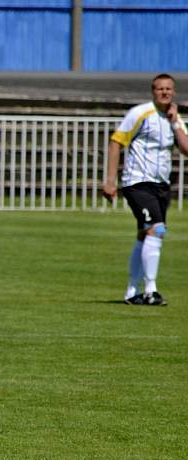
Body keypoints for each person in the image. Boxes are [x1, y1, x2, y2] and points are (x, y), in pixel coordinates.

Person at [102, 73, 188, 306]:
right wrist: (110, 180)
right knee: (156, 231)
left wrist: (175, 122)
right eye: (160, 89)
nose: (165, 93)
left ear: (174, 92)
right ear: (153, 91)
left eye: (168, 89)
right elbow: (116, 142)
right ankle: (151, 289)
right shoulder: (140, 113)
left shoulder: (174, 117)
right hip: (137, 182)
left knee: (145, 234)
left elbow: (186, 148)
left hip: (161, 184)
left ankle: (132, 291)